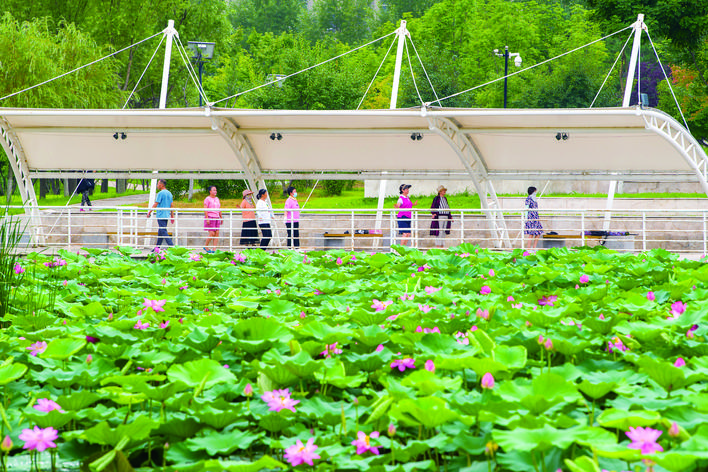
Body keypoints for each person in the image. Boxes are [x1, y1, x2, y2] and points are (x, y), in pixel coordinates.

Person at [147, 179, 174, 247]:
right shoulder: (169, 193)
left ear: (161, 185)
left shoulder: (160, 193)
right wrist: (172, 216)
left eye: (158, 184)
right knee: (161, 231)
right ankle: (157, 248)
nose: (157, 186)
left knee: (163, 231)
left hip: (161, 215)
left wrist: (149, 212)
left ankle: (171, 246)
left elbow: (156, 203)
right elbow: (172, 205)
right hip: (166, 215)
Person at [203, 185, 222, 253]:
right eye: (214, 190)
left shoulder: (217, 199)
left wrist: (221, 217)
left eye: (216, 190)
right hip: (210, 217)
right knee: (212, 233)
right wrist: (207, 218)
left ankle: (214, 249)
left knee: (217, 233)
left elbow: (219, 209)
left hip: (217, 217)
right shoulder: (207, 199)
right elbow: (205, 209)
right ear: (210, 191)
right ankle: (206, 246)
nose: (215, 191)